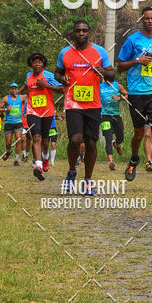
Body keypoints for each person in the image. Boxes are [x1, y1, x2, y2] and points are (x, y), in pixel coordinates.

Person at [117, 8, 152, 190]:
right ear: (141, 20)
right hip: (136, 93)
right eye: (146, 18)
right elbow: (120, 66)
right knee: (139, 133)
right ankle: (134, 158)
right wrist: (136, 61)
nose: (150, 21)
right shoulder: (132, 40)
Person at [55, 19, 111, 194]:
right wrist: (61, 78)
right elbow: (57, 73)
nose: (81, 33)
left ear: (89, 32)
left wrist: (102, 71)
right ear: (73, 32)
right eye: (77, 30)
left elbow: (112, 74)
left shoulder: (100, 52)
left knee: (91, 142)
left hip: (93, 103)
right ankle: (72, 171)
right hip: (73, 103)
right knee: (75, 139)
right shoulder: (65, 53)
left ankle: (88, 180)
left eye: (84, 31)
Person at [20, 52, 63, 181]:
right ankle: (38, 166)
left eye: (40, 62)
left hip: (47, 112)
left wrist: (45, 85)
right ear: (31, 64)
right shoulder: (28, 76)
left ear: (43, 63)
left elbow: (62, 89)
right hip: (32, 111)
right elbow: (25, 86)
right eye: (34, 62)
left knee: (45, 140)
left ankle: (45, 158)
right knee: (36, 137)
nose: (37, 64)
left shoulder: (48, 75)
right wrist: (16, 93)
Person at [99, 67, 127, 170]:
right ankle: (110, 161)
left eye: (112, 81)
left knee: (120, 137)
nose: (110, 83)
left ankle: (117, 144)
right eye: (108, 81)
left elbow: (127, 95)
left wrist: (120, 98)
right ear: (105, 80)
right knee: (108, 137)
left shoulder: (118, 86)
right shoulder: (100, 87)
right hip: (104, 116)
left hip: (116, 115)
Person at [0, 83, 25, 166]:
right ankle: (9, 150)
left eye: (15, 88)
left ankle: (16, 160)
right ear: (10, 90)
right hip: (9, 123)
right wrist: (6, 109)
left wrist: (26, 111)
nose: (14, 90)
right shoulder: (6, 98)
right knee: (8, 142)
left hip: (18, 122)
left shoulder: (21, 97)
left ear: (17, 89)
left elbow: (28, 104)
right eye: (12, 88)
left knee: (18, 139)